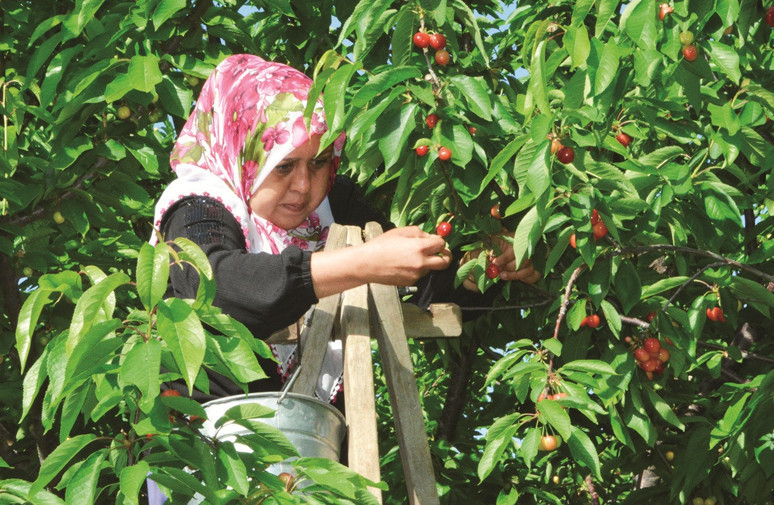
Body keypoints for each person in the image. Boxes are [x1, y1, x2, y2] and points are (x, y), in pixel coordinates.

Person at [150, 54, 539, 404]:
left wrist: (477, 270)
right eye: (283, 166)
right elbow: (215, 287)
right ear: (242, 155)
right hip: (207, 445)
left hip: (317, 448)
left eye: (319, 163)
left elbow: (417, 281)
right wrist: (362, 263)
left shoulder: (334, 206)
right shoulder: (198, 205)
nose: (304, 185)